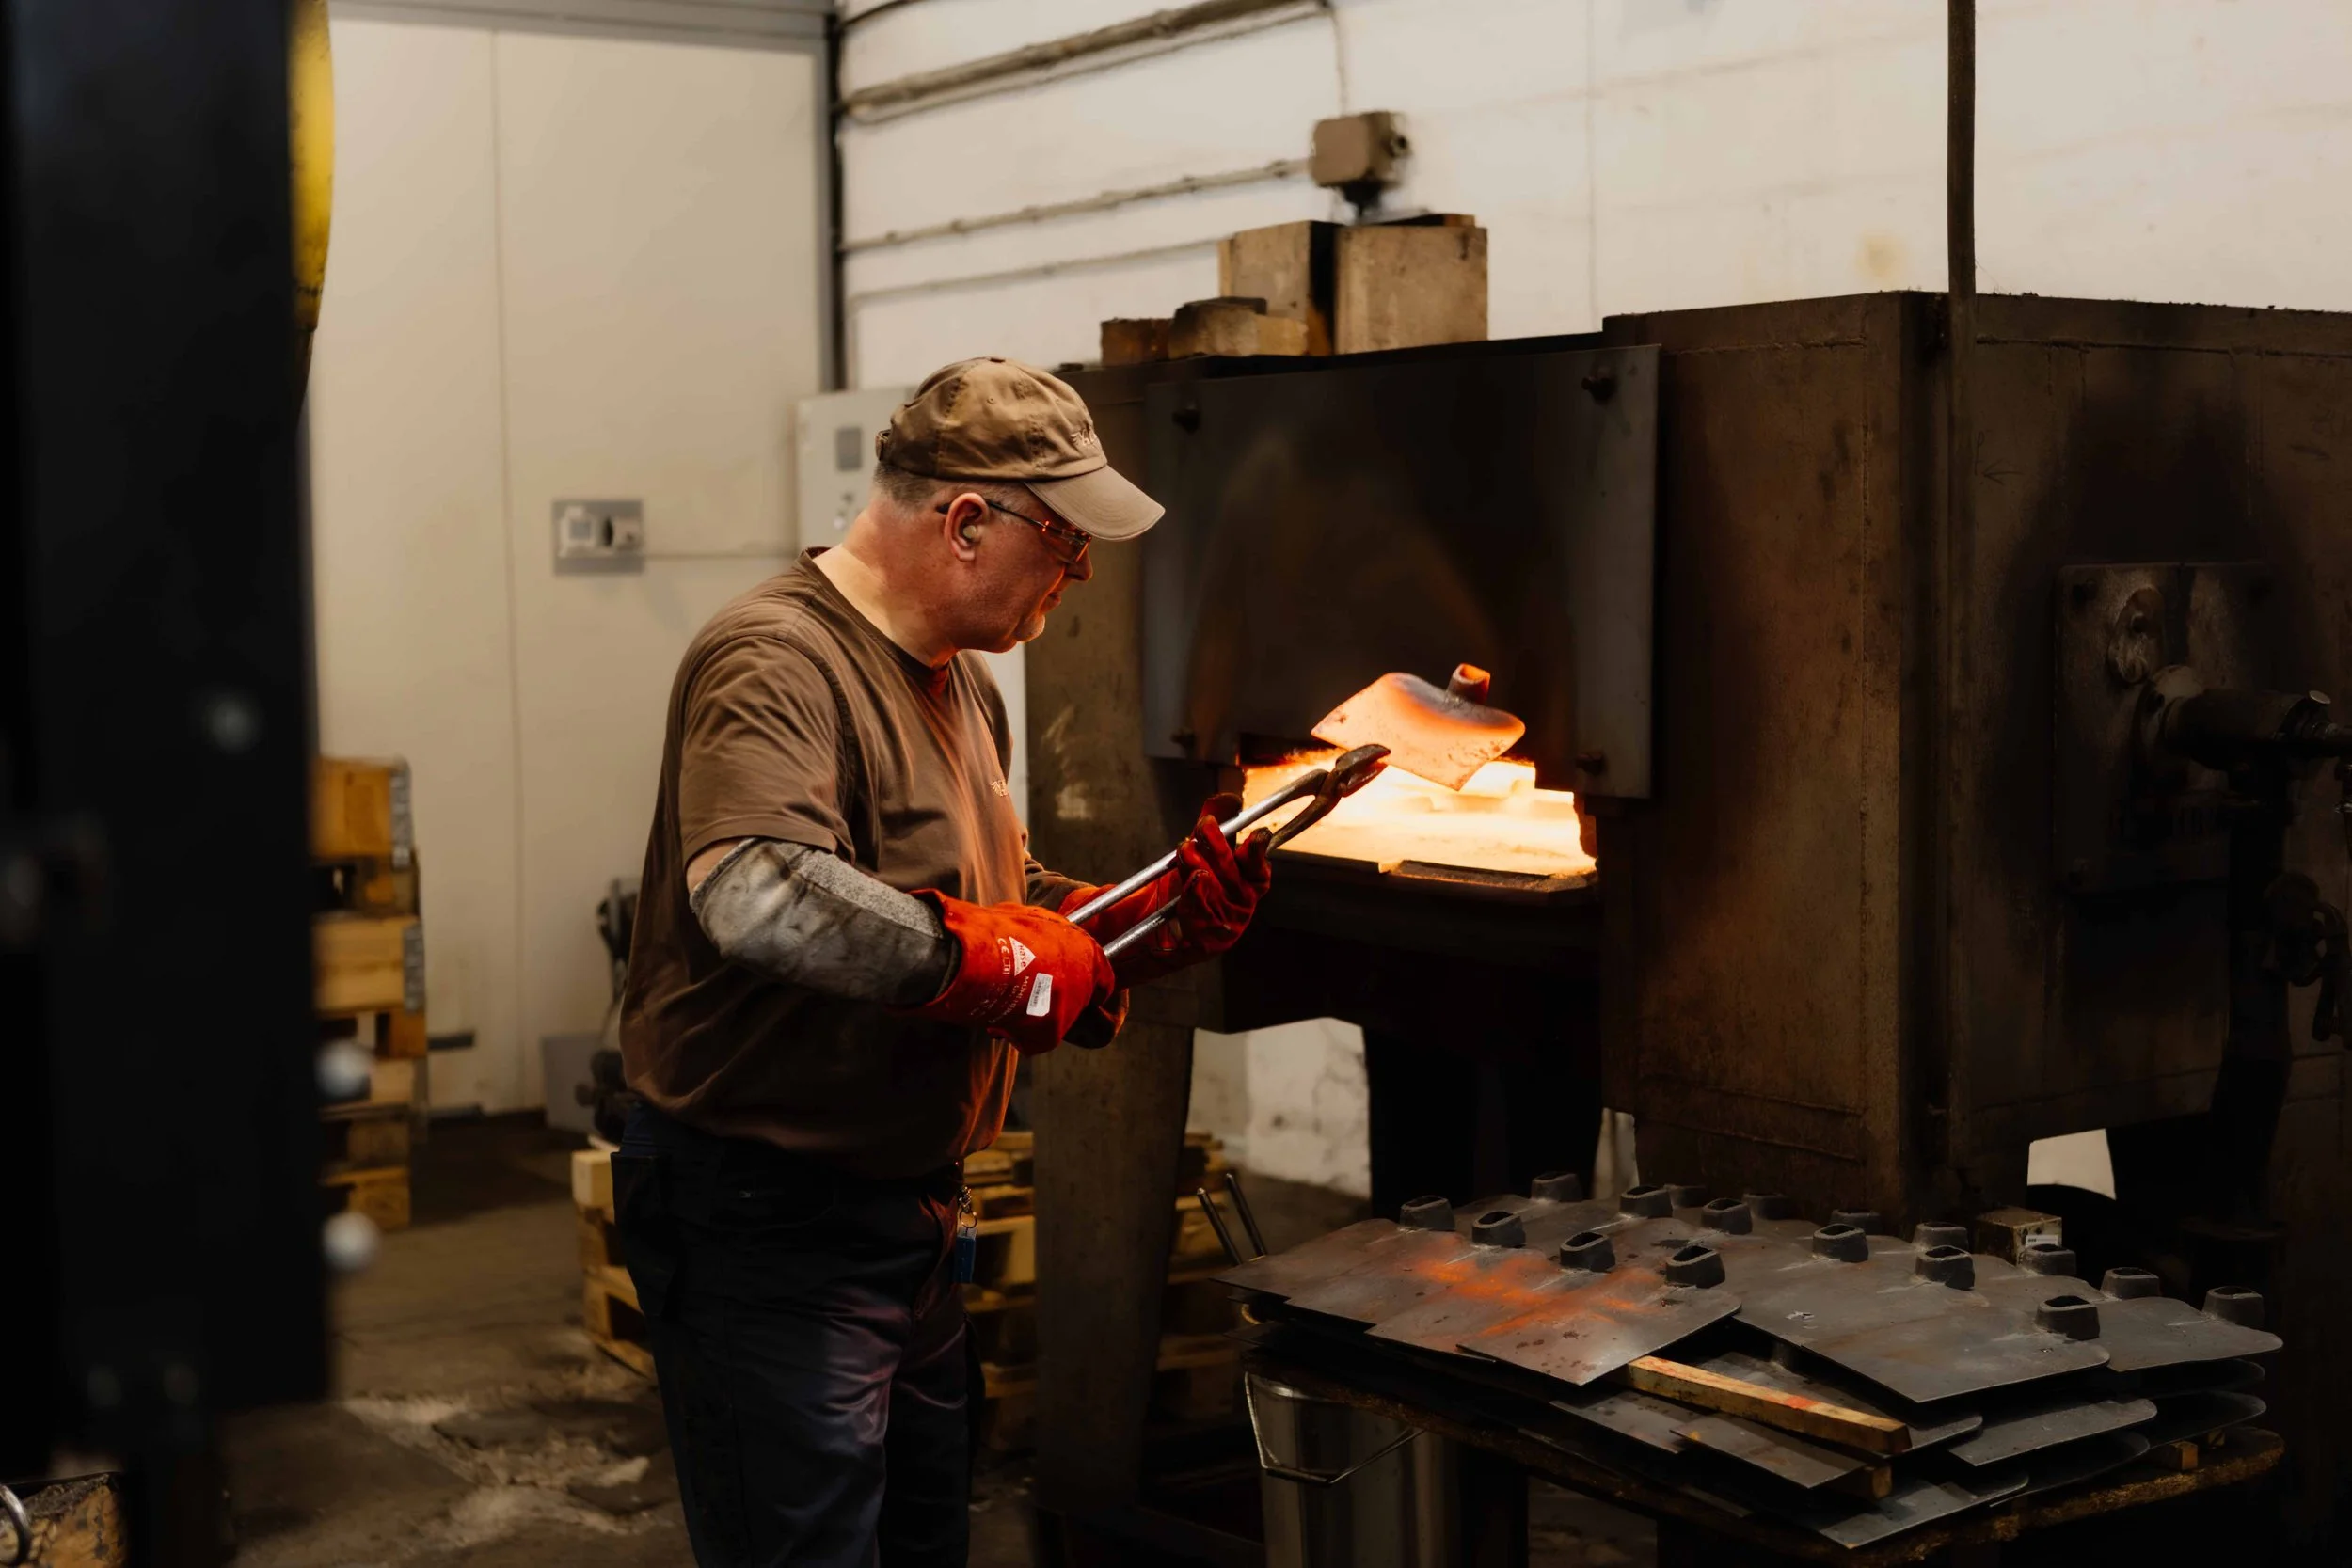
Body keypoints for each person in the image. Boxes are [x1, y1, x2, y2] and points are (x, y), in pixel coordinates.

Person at [612, 357, 1271, 1567]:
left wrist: (1147, 917)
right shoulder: (775, 659)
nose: (1075, 578)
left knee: (921, 1545)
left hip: (906, 1212)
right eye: (1064, 545)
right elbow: (757, 892)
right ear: (967, 520)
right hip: (769, 1218)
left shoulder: (964, 684)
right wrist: (1005, 965)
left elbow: (996, 900)